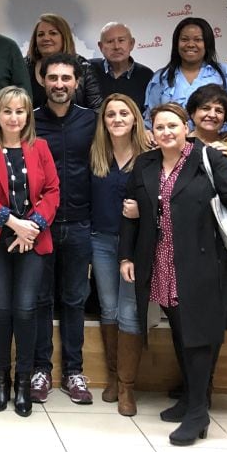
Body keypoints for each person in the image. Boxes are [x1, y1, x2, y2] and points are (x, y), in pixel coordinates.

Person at [119, 103, 227, 446]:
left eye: (173, 125)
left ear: (186, 127)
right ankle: (189, 398)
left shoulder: (208, 159)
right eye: (159, 127)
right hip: (161, 261)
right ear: (151, 133)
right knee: (180, 331)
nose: (166, 132)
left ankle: (198, 412)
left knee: (198, 337)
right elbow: (131, 211)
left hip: (202, 264)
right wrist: (126, 255)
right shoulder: (146, 163)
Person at [0, 86, 59, 417]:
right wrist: (12, 223)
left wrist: (30, 226)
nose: (14, 117)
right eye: (7, 111)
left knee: (25, 309)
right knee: (1, 309)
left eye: (20, 111)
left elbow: (52, 191)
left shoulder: (40, 147)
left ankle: (23, 383)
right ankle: (1, 382)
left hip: (32, 238)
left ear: (27, 115)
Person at [31, 53, 98, 405]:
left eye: (66, 78)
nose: (59, 84)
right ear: (43, 80)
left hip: (81, 224)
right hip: (39, 227)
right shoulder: (29, 122)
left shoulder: (93, 121)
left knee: (74, 300)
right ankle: (40, 370)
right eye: (52, 77)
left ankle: (74, 372)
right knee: (41, 300)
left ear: (76, 82)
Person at [88, 93, 151, 415]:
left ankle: (128, 387)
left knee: (129, 311)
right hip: (100, 240)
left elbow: (165, 198)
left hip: (136, 247)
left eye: (123, 113)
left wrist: (143, 209)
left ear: (135, 118)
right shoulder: (96, 154)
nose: (117, 119)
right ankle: (112, 377)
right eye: (110, 114)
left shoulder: (149, 155)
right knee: (109, 308)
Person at [144, 16, 227, 132]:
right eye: (184, 39)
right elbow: (150, 119)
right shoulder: (161, 78)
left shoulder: (226, 75)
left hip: (218, 145)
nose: (190, 44)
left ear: (207, 43)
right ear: (176, 44)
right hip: (170, 145)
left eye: (198, 40)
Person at [24, 14, 102, 110]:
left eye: (53, 33)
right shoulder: (23, 66)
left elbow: (96, 109)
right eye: (41, 34)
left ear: (64, 37)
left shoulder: (83, 67)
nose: (46, 38)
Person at [90, 22, 155, 111]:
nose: (116, 47)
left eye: (121, 40)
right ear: (100, 46)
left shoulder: (146, 75)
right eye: (110, 41)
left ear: (131, 44)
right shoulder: (89, 70)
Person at [187, 84, 227, 178]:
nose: (212, 115)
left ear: (225, 118)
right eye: (205, 108)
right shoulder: (180, 143)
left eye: (219, 111)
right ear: (193, 113)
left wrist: (222, 162)